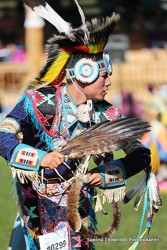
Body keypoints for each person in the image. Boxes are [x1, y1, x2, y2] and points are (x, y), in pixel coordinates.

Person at [0, 1, 160, 250]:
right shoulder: (39, 101)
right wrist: (41, 158)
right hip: (36, 209)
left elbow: (141, 153)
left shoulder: (106, 113)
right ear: (84, 73)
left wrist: (105, 173)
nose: (109, 83)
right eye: (104, 75)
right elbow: (3, 135)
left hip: (77, 211)